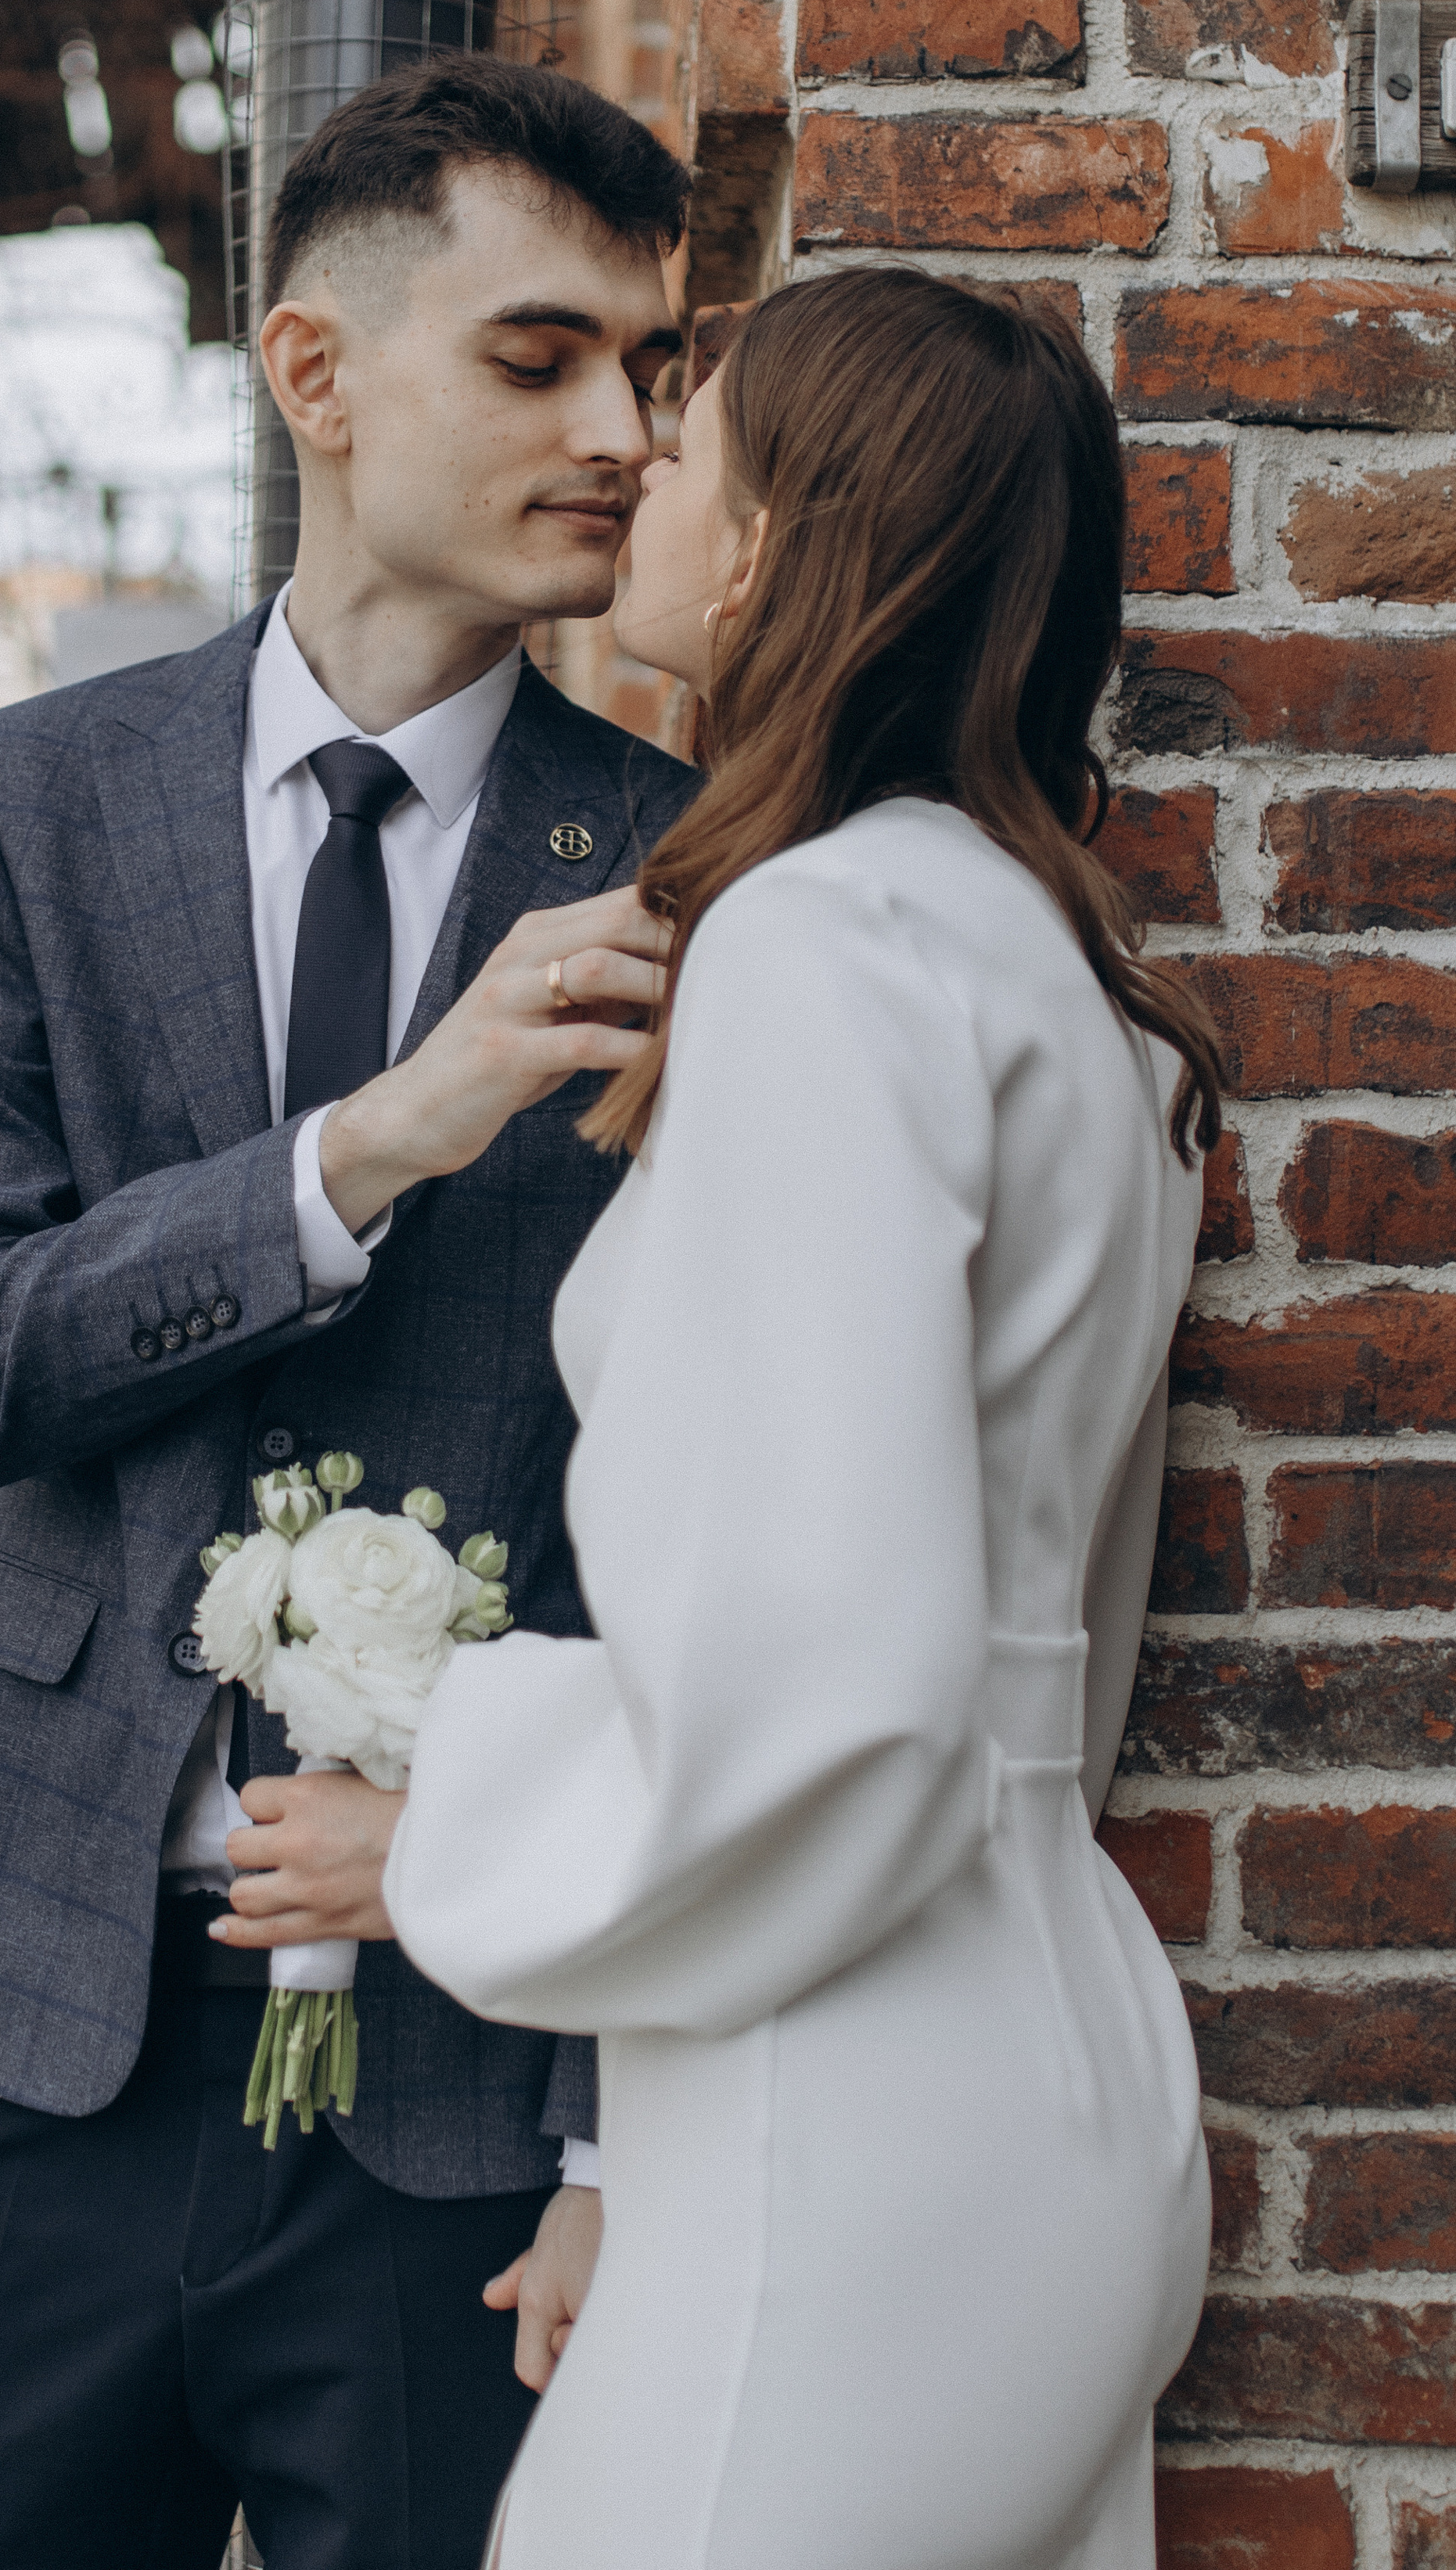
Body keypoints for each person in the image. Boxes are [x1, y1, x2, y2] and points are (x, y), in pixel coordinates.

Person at [0, 52, 698, 2570]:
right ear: (315, 369)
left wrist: (612, 2126)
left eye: (650, 367)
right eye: (541, 359)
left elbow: (697, 1527)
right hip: (44, 2021)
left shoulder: (690, 874)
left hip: (470, 2065)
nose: (625, 432)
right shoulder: (14, 807)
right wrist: (372, 1146)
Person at [384, 264, 1221, 2569]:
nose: (637, 469)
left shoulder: (823, 944)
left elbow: (840, 1687)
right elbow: (1043, 1633)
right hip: (1035, 2035)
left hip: (848, 2088)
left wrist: (447, 1816)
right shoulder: (1060, 962)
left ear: (774, 547)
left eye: (691, 439)